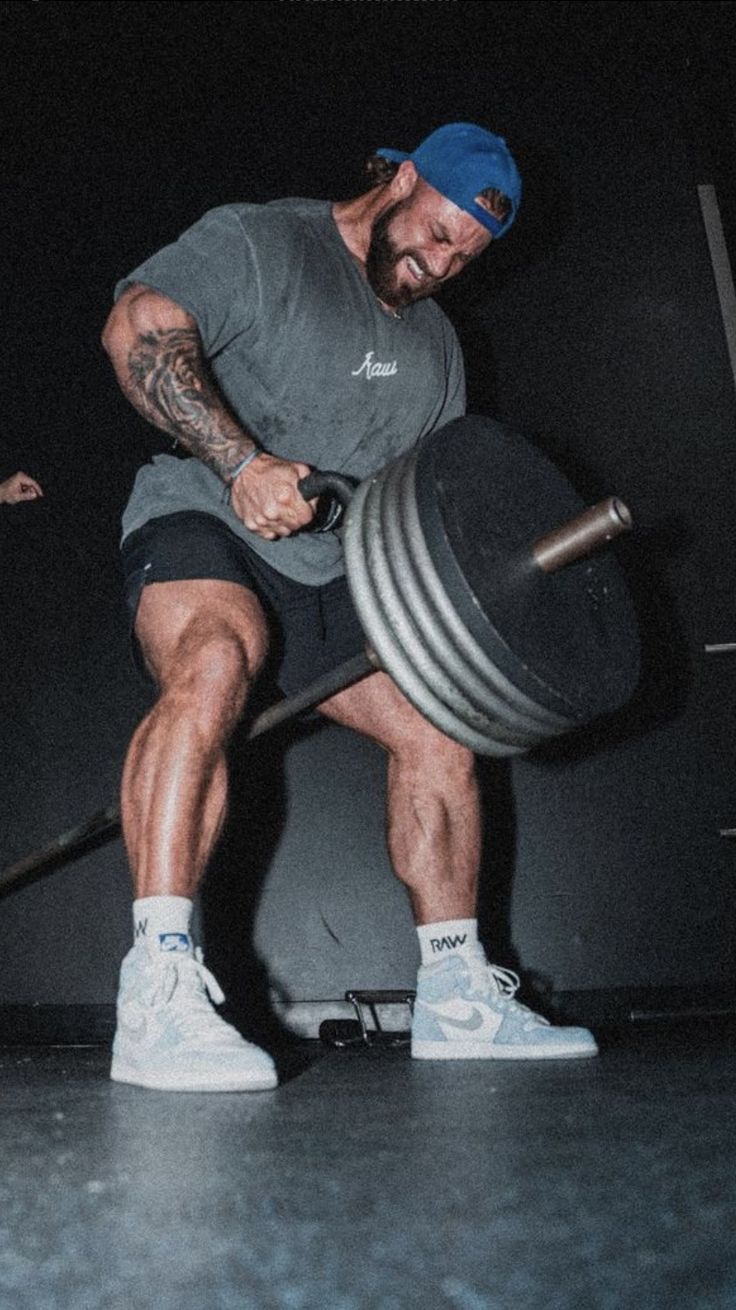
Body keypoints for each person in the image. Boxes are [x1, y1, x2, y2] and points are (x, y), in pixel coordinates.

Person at [102, 122, 597, 1092]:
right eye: (439, 227)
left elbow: (429, 508)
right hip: (207, 516)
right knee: (213, 660)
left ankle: (457, 994)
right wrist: (241, 463)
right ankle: (157, 985)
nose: (443, 259)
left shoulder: (440, 349)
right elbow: (137, 326)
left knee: (439, 726)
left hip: (341, 570)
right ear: (402, 178)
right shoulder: (266, 241)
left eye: (465, 252)